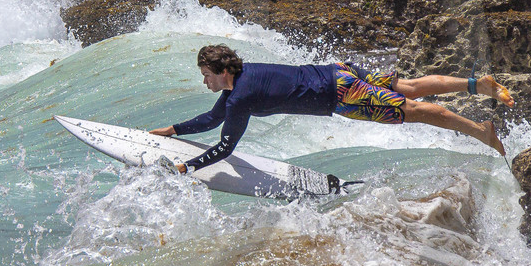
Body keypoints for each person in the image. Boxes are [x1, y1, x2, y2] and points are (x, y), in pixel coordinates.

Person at [150, 44, 512, 172]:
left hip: (343, 96)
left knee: (414, 110)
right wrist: (173, 131)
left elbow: (226, 147)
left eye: (207, 76)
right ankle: (476, 84)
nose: (205, 83)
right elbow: (214, 119)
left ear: (224, 71)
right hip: (338, 71)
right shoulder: (244, 79)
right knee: (409, 86)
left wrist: (187, 167)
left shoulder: (240, 96)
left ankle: (481, 131)